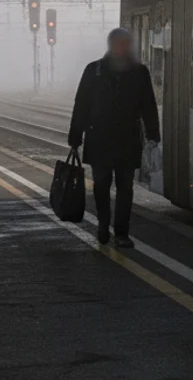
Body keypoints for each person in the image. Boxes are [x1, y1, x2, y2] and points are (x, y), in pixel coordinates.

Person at [68, 28, 160, 248]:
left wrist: (153, 134)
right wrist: (75, 135)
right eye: (118, 43)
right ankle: (103, 224)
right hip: (100, 137)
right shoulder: (94, 70)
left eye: (125, 43)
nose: (122, 47)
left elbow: (148, 105)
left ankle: (121, 232)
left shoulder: (140, 72)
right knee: (101, 184)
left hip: (127, 138)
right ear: (111, 45)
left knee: (125, 187)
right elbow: (81, 104)